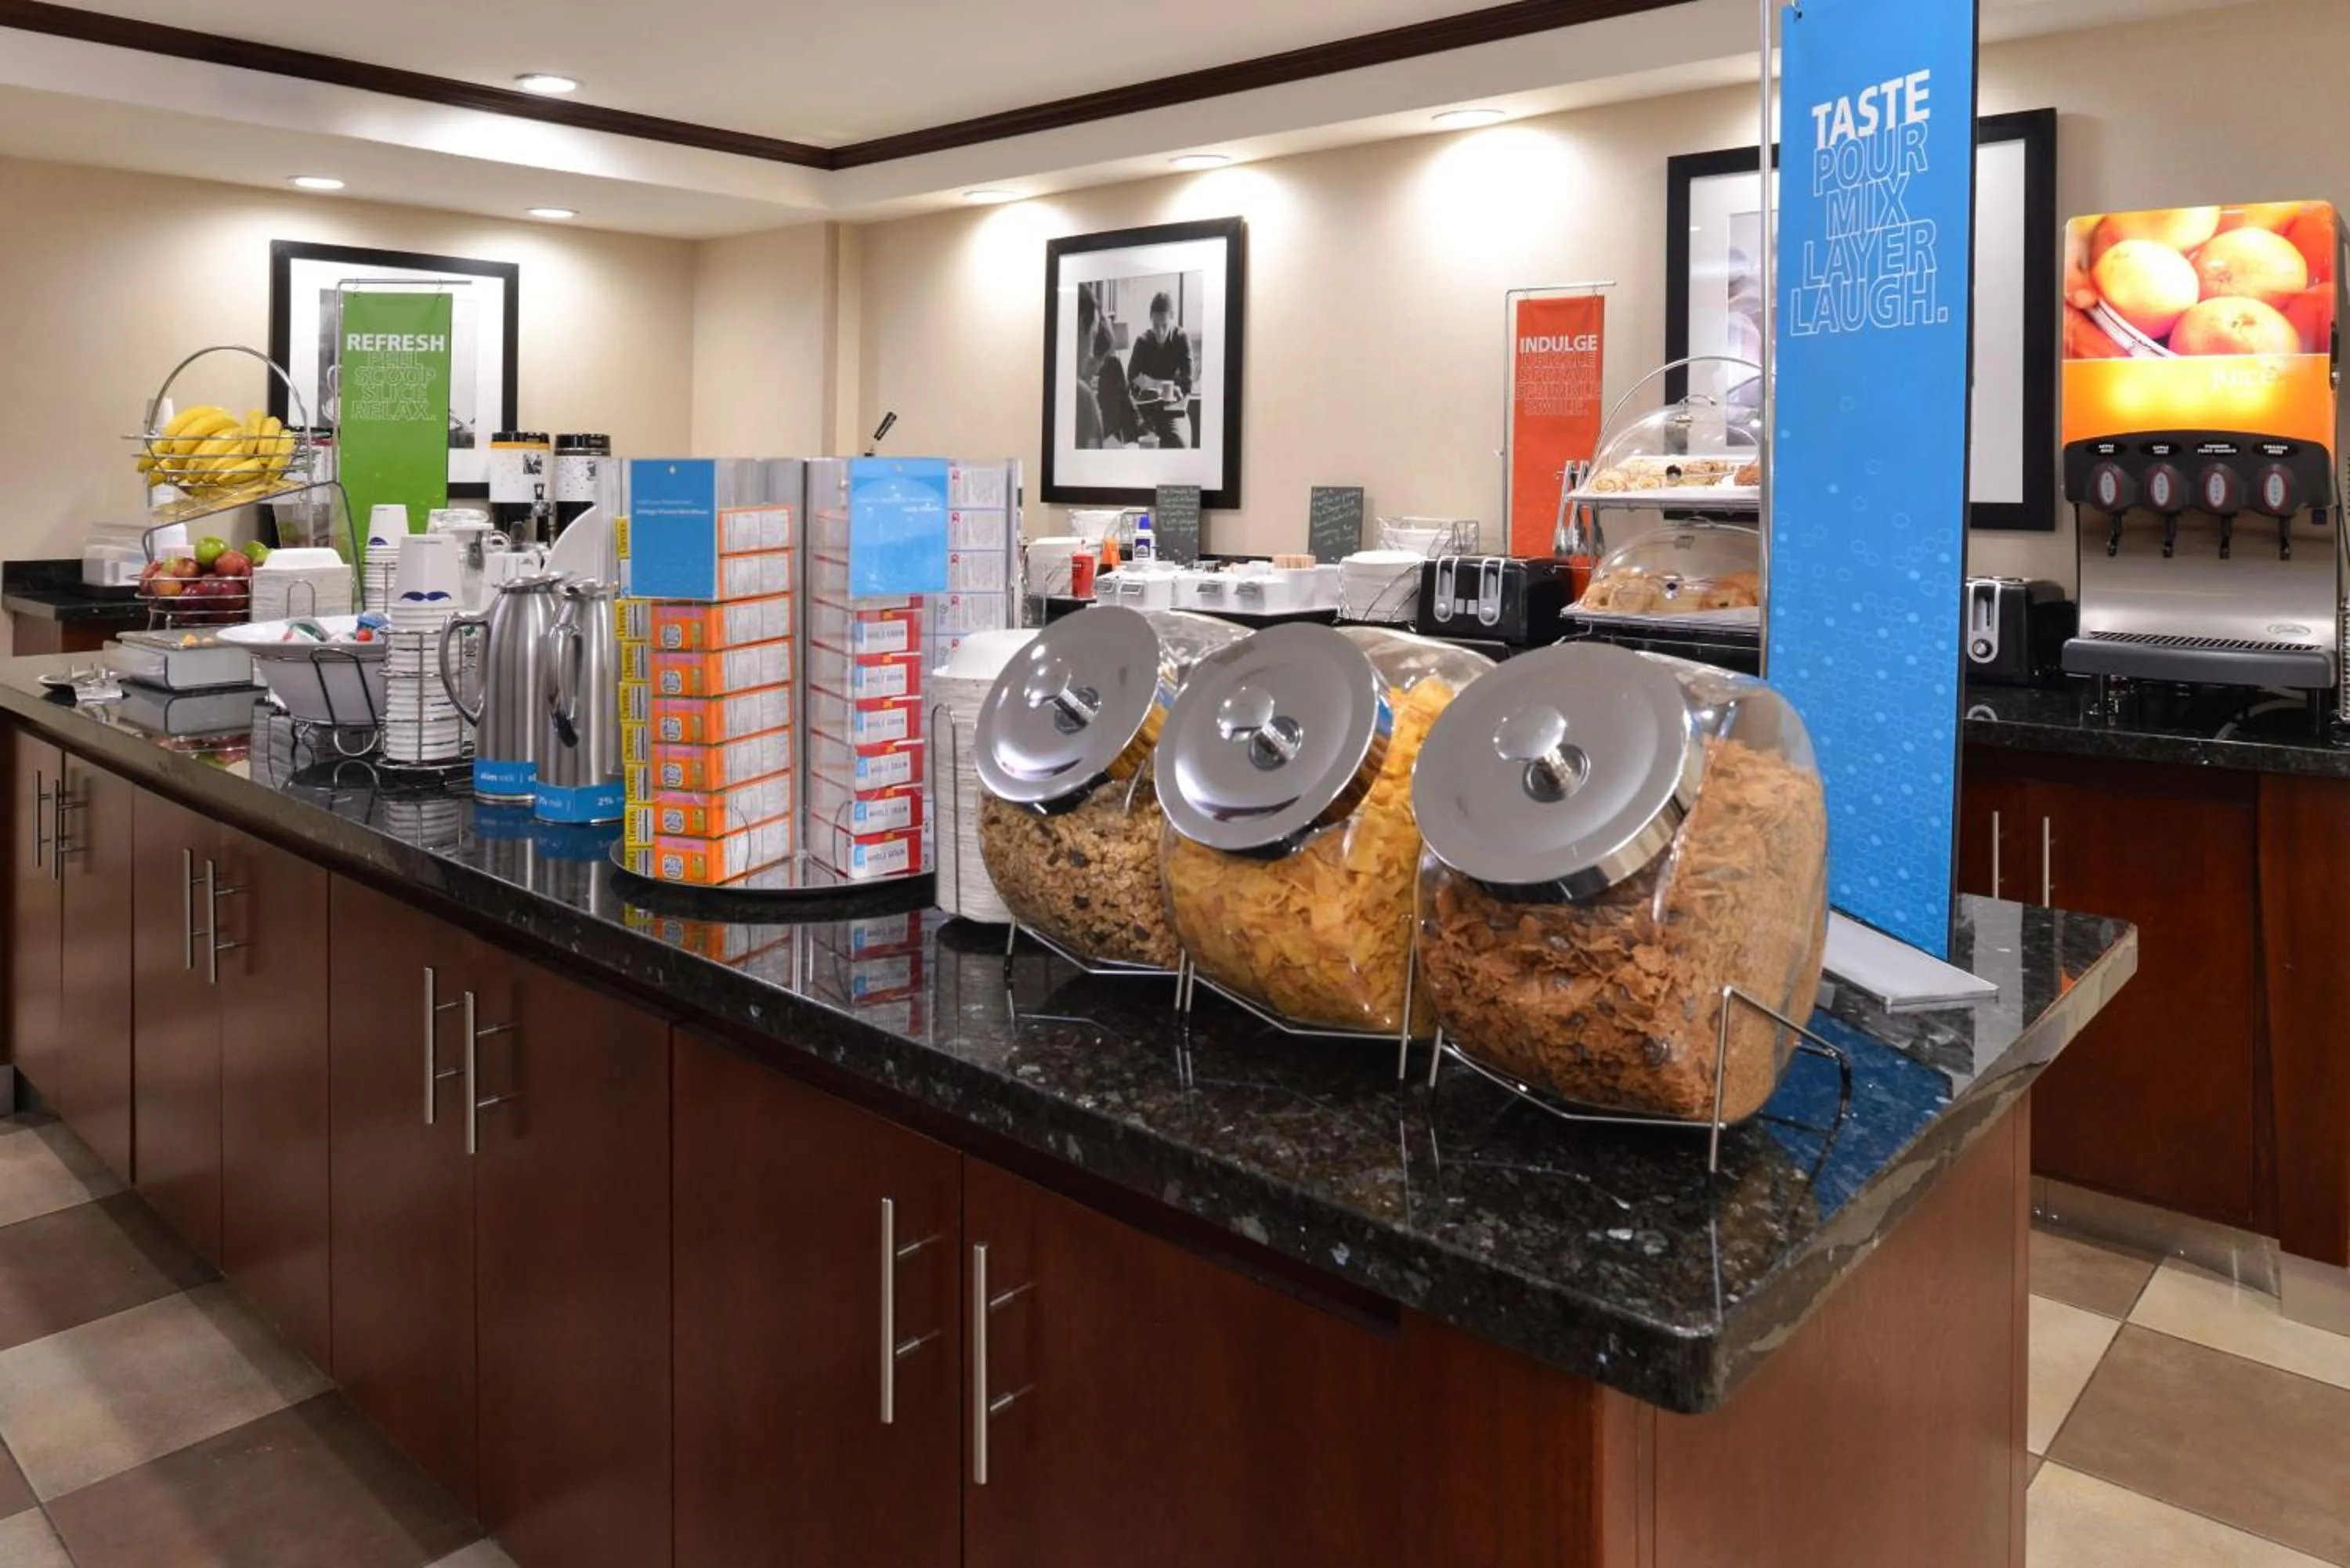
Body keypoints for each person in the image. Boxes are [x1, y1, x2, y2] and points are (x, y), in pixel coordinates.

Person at [1126, 291, 1193, 449]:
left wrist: (1150, 382)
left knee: (1179, 445)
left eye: (1164, 326)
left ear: (1172, 317)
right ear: (1150, 318)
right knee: (1137, 446)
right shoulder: (1142, 341)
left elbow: (1187, 382)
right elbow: (1132, 375)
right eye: (1156, 326)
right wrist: (1165, 386)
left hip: (1172, 410)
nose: (1160, 333)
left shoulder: (1182, 339)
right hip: (1146, 410)